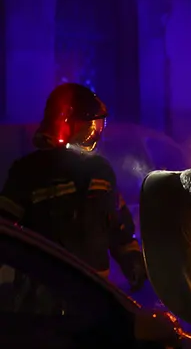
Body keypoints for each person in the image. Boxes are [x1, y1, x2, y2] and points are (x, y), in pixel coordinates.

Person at [0, 83, 147, 291]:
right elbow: (5, 229)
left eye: (98, 126)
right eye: (89, 126)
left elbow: (119, 228)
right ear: (64, 123)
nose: (94, 133)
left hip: (94, 295)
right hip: (46, 296)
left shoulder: (101, 171)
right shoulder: (29, 171)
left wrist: (134, 262)